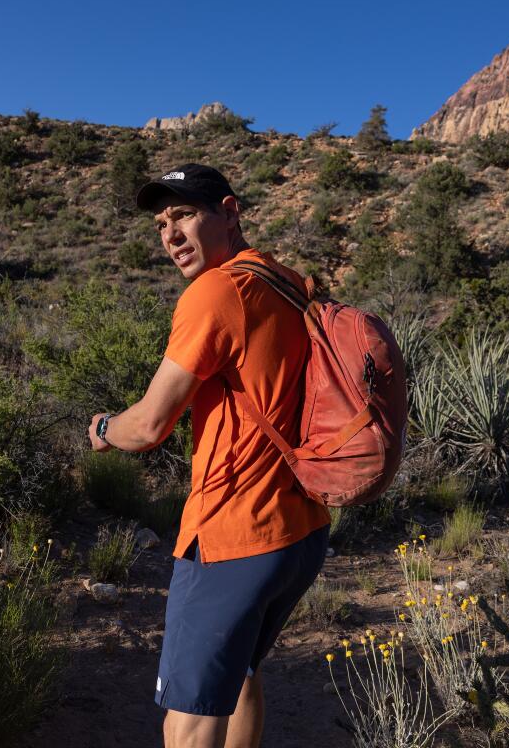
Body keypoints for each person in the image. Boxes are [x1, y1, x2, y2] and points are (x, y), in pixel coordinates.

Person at [86, 163, 331, 748]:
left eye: (184, 215)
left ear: (229, 212)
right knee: (240, 676)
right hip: (300, 532)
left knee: (190, 717)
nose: (169, 234)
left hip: (233, 533)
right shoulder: (289, 282)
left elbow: (148, 427)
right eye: (161, 222)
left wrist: (101, 427)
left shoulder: (217, 292)